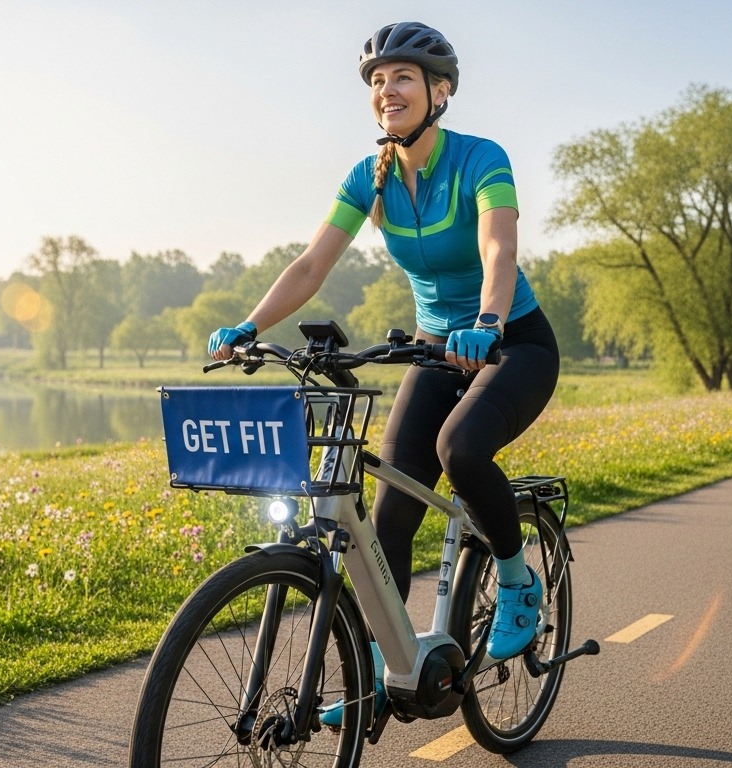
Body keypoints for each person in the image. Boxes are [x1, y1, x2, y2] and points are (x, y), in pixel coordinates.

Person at [208, 20, 560, 715]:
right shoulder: (368, 177)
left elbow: (499, 249)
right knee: (388, 518)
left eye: (402, 78)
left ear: (441, 92)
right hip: (436, 349)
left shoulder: (480, 158)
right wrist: (251, 326)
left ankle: (518, 580)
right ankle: (378, 672)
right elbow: (312, 263)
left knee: (459, 450)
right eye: (377, 81)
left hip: (513, 342)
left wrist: (487, 321)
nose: (386, 91)